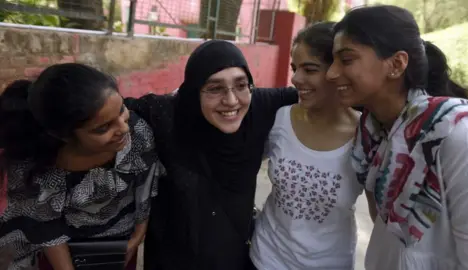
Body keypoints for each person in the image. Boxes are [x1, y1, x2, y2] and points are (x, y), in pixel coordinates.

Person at [326, 5, 468, 270]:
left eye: (347, 60)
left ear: (396, 64)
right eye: (332, 61)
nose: (331, 73)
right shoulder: (372, 137)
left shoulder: (457, 136)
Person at [124, 40, 298, 270]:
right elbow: (102, 110)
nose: (231, 100)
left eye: (241, 85)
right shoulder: (165, 115)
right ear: (194, 90)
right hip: (171, 261)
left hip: (233, 258)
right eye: (215, 88)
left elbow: (318, 92)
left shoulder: (259, 108)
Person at [0, 63, 163, 270]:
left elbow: (146, 189)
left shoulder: (137, 133)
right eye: (103, 128)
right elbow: (45, 228)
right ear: (63, 135)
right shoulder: (34, 165)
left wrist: (136, 238)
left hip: (117, 248)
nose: (123, 128)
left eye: (121, 110)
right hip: (53, 255)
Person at [249, 22, 363, 270]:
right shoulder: (279, 119)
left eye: (309, 70)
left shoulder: (366, 135)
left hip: (329, 262)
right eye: (294, 68)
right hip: (266, 256)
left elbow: (385, 216)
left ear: (337, 71)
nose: (296, 78)